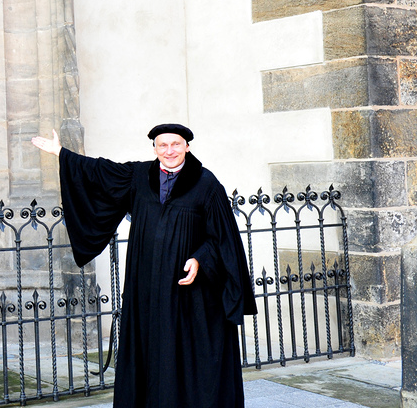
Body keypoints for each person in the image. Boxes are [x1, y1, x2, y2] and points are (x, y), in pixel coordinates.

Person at [31, 124, 257, 408]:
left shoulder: (206, 184)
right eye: (162, 145)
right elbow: (100, 172)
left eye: (175, 144)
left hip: (188, 297)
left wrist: (199, 259)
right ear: (155, 148)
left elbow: (222, 238)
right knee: (150, 353)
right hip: (147, 288)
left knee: (185, 355)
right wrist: (62, 153)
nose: (169, 151)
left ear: (187, 146)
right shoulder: (140, 176)